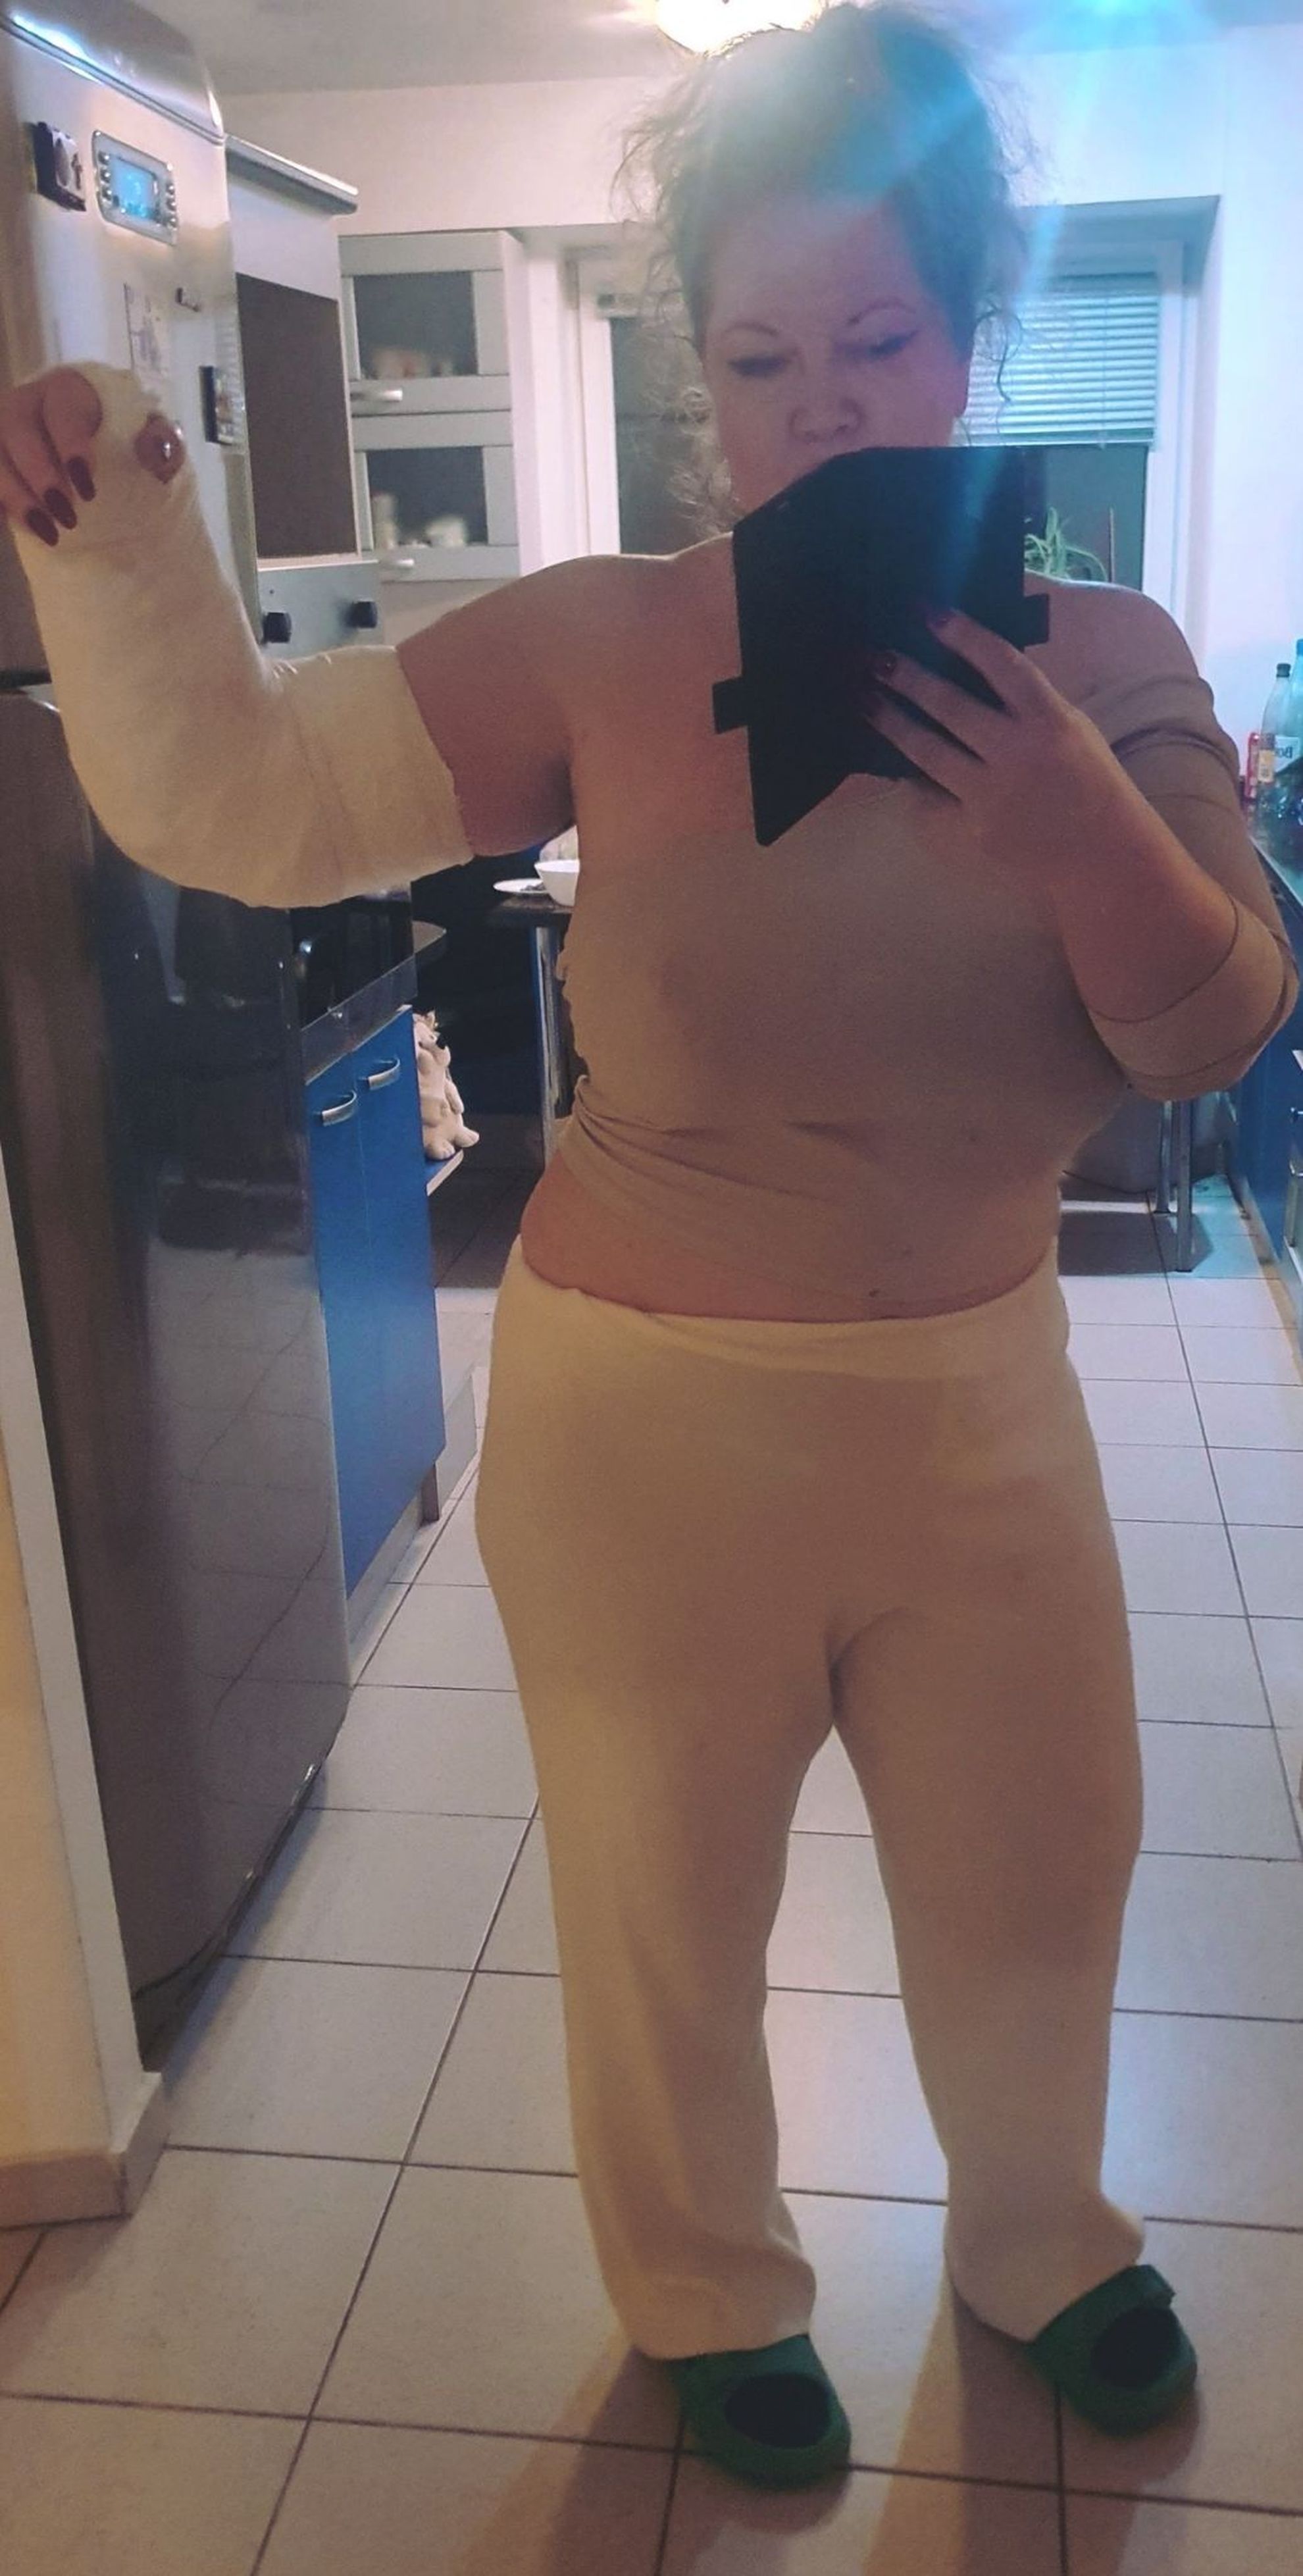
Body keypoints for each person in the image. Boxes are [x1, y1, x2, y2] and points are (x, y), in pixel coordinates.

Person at [2, 2, 1295, 2498]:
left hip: (977, 1406)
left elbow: (1214, 1028)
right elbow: (246, 807)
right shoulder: (599, 640)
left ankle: (1041, 2234)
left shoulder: (1116, 659)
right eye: (761, 356)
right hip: (644, 1426)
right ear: (704, 374)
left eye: (878, 340)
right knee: (660, 1900)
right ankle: (705, 2286)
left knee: (1044, 1860)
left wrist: (1066, 818)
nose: (824, 408)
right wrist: (121, 541)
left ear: (973, 326)